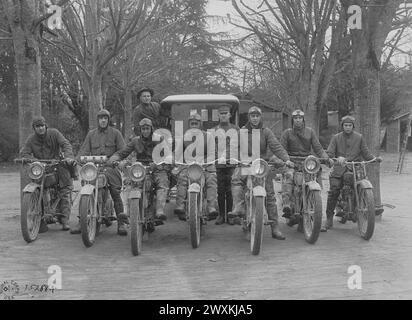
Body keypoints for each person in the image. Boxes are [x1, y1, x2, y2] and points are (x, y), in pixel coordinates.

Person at [228, 106, 293, 240]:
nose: (255, 118)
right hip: (246, 164)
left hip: (261, 166)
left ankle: (275, 228)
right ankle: (240, 211)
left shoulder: (266, 132)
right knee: (236, 179)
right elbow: (233, 147)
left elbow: (276, 146)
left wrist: (286, 159)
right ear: (249, 117)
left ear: (260, 117)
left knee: (270, 195)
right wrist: (228, 156)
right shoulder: (242, 131)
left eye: (257, 115)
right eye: (253, 116)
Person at [71, 109, 127, 236]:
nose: (103, 120)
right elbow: (83, 151)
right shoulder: (91, 134)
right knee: (85, 188)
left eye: (105, 118)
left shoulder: (116, 133)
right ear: (98, 120)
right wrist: (78, 160)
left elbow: (123, 151)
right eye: (101, 118)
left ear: (108, 120)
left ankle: (121, 222)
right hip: (94, 167)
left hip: (110, 167)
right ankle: (82, 220)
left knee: (115, 192)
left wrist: (114, 159)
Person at [321, 115, 380, 232]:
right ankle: (329, 218)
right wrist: (337, 158)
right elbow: (330, 153)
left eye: (350, 125)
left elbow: (366, 153)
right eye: (345, 125)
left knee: (358, 185)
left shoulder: (359, 137)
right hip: (338, 169)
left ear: (353, 126)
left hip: (354, 168)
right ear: (342, 126)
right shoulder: (336, 138)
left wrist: (374, 158)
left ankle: (358, 208)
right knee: (334, 189)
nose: (347, 127)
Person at [20, 116, 76, 232]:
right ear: (34, 128)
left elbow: (66, 144)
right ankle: (39, 221)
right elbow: (24, 153)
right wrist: (33, 159)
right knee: (38, 189)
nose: (40, 128)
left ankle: (64, 220)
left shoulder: (54, 133)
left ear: (46, 126)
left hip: (57, 165)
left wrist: (68, 157)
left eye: (42, 126)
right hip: (41, 168)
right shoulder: (31, 139)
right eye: (37, 126)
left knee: (65, 189)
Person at [109, 118, 170, 221]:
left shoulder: (159, 140)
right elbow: (122, 152)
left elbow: (167, 155)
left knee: (162, 181)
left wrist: (157, 163)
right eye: (143, 129)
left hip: (156, 168)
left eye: (147, 128)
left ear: (151, 129)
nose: (145, 131)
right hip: (140, 168)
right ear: (140, 130)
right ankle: (127, 211)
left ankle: (159, 210)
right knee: (128, 182)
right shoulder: (135, 141)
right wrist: (115, 160)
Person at [280, 109, 331, 227]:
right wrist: (286, 160)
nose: (298, 120)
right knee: (289, 175)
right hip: (291, 163)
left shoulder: (310, 132)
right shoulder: (287, 133)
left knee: (315, 173)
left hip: (306, 162)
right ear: (293, 120)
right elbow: (281, 149)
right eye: (296, 118)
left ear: (303, 120)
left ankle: (315, 209)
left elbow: (318, 148)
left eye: (300, 118)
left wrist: (326, 158)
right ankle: (286, 204)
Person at [173, 113, 218, 221]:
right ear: (189, 125)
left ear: (200, 124)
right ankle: (181, 205)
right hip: (188, 167)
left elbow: (213, 153)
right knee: (182, 179)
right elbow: (177, 153)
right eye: (192, 124)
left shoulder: (208, 136)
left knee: (211, 180)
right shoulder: (183, 137)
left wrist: (204, 162)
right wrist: (177, 162)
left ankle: (211, 206)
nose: (194, 126)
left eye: (196, 123)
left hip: (205, 166)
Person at [213, 104, 240, 225]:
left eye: (225, 113)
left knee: (230, 190)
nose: (223, 116)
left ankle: (230, 215)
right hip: (219, 164)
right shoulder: (214, 130)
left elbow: (236, 145)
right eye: (221, 114)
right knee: (220, 190)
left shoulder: (236, 129)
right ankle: (221, 215)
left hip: (232, 164)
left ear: (229, 115)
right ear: (218, 115)